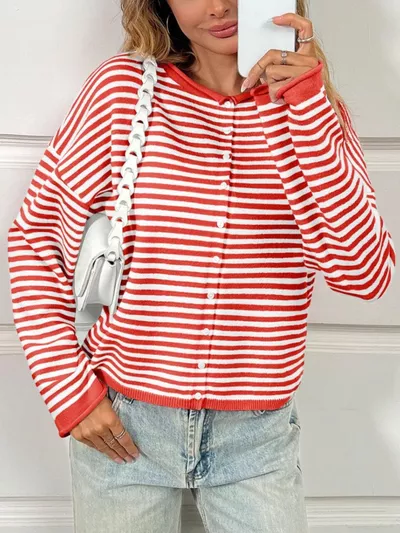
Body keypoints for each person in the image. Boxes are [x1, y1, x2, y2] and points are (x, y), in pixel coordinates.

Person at [7, 0, 396, 532]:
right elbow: (35, 239)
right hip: (123, 425)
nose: (217, 6)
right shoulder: (123, 93)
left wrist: (303, 108)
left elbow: (366, 275)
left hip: (256, 440)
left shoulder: (313, 113)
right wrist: (69, 393)